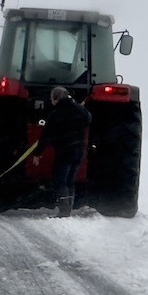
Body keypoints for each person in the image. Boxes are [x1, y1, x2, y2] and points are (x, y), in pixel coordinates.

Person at [34, 86, 91, 217]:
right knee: (70, 180)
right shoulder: (80, 110)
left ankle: (64, 211)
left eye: (51, 98)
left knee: (60, 180)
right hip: (78, 151)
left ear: (56, 98)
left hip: (65, 152)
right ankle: (68, 208)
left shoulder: (55, 114)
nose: (51, 101)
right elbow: (88, 118)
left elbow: (46, 135)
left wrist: (37, 153)